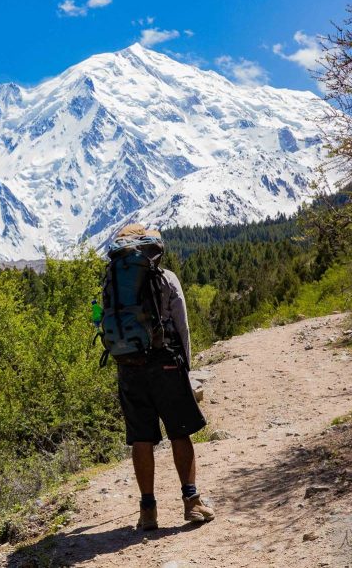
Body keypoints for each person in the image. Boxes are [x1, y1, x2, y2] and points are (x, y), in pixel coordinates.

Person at [111, 223, 215, 531]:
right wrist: (186, 365)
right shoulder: (166, 278)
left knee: (141, 439)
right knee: (179, 432)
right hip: (165, 364)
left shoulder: (112, 279)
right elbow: (182, 326)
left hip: (128, 367)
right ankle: (192, 503)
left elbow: (99, 321)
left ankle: (148, 512)